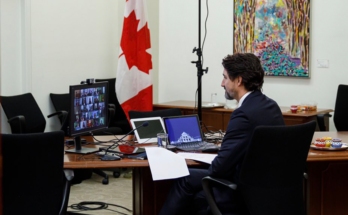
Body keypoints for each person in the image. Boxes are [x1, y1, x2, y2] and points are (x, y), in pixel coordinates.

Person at [159, 53, 285, 215]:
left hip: (242, 193)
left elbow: (218, 170)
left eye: (225, 78)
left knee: (185, 178)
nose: (221, 83)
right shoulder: (271, 106)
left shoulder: (243, 114)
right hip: (270, 191)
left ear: (238, 81)